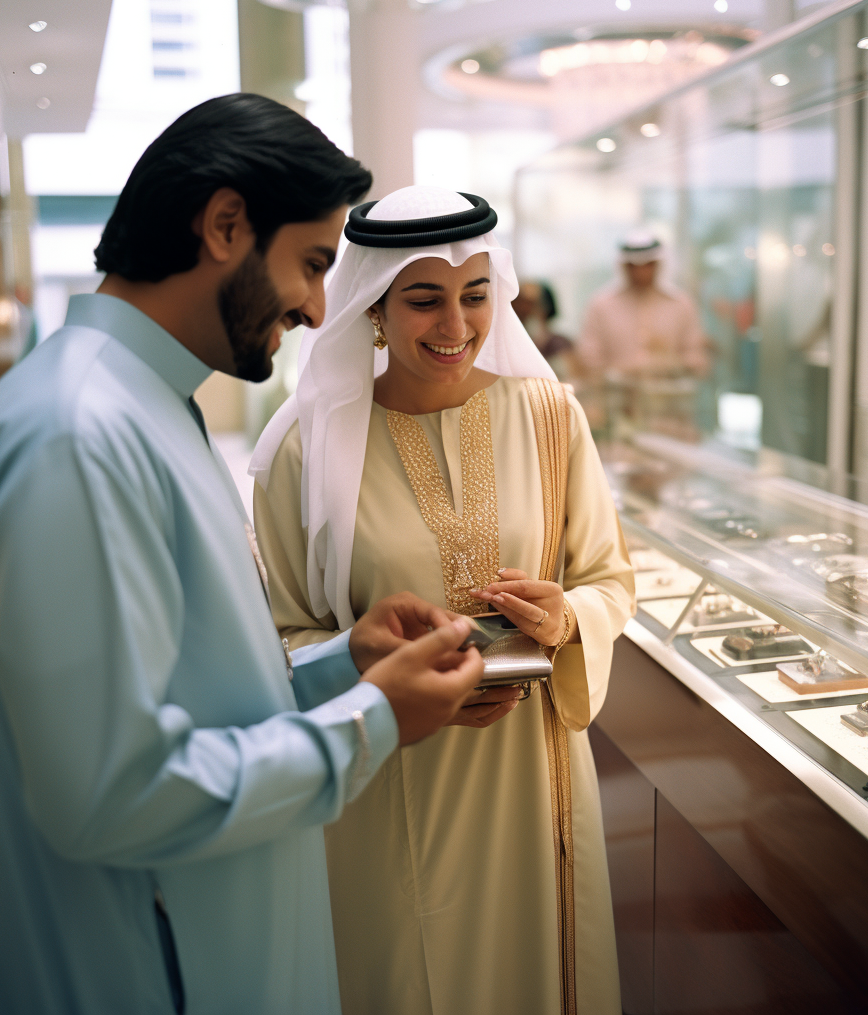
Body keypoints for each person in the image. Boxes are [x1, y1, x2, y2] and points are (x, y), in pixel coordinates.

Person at [0, 95, 485, 1015]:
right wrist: (371, 722)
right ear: (226, 224)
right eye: (313, 264)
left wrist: (340, 668)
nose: (320, 309)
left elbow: (182, 697)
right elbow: (112, 793)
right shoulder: (76, 436)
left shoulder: (145, 407)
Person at [250, 186, 637, 1015]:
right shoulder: (305, 446)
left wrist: (568, 618)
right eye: (424, 299)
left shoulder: (549, 415)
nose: (455, 327)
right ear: (375, 307)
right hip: (388, 771)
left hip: (532, 775)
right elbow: (277, 636)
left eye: (476, 297)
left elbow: (608, 577)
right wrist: (377, 674)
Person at [578, 229, 710, 379]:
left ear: (658, 264)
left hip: (669, 398)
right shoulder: (601, 306)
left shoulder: (681, 304)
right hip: (617, 397)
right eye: (634, 266)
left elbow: (696, 358)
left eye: (648, 265)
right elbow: (589, 359)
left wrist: (670, 363)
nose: (641, 272)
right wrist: (623, 372)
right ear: (624, 266)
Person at [511, 279, 578, 380]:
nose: (524, 310)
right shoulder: (511, 346)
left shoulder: (559, 343)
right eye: (518, 303)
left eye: (531, 304)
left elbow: (572, 378)